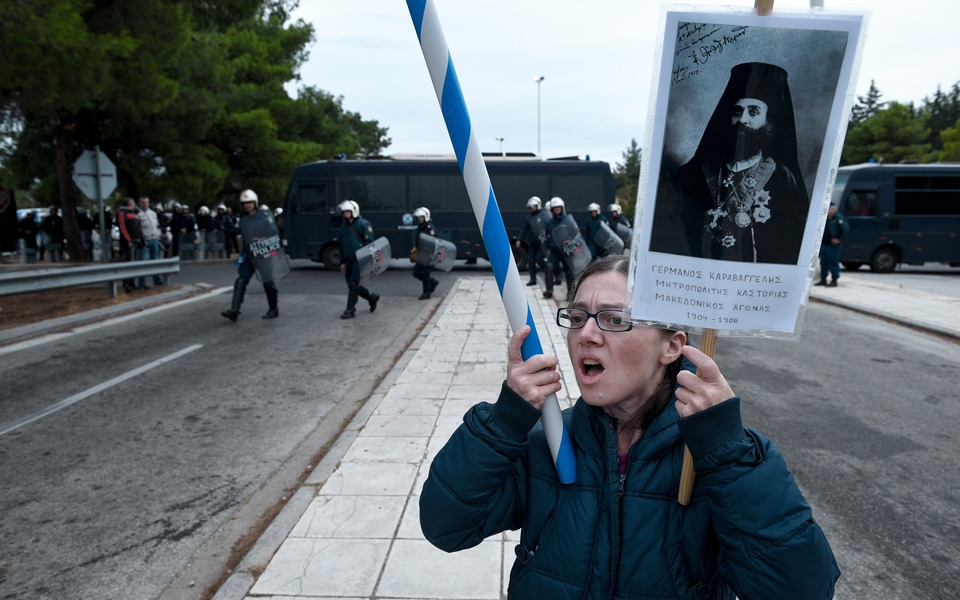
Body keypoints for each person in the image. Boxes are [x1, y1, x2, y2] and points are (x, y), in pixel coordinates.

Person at [420, 254, 840, 599]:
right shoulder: (546, 442)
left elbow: (801, 590)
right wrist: (504, 421)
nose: (586, 333)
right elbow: (447, 525)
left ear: (672, 346)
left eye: (614, 319)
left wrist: (727, 452)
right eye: (578, 315)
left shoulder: (723, 460)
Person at [651, 62, 810, 264]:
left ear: (768, 121)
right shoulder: (692, 176)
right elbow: (665, 233)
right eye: (737, 111)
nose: (743, 119)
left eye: (753, 112)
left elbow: (794, 245)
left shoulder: (785, 179)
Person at [221, 189, 280, 321]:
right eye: (245, 203)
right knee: (241, 281)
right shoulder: (243, 218)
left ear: (255, 203)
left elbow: (274, 235)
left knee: (268, 282)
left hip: (262, 254)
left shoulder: (264, 217)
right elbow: (237, 231)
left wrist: (261, 240)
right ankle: (234, 310)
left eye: (250, 202)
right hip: (249, 255)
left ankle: (273, 309)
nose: (247, 205)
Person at [338, 200, 380, 319]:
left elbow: (369, 243)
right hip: (349, 260)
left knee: (353, 284)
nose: (345, 214)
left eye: (347, 211)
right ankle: (372, 298)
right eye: (344, 212)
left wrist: (368, 261)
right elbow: (342, 245)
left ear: (354, 211)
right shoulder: (344, 227)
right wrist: (342, 262)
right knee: (354, 285)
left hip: (360, 260)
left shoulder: (363, 224)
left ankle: (350, 310)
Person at [543, 197, 576, 300]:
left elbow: (575, 233)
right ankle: (549, 291)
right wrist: (548, 248)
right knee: (548, 266)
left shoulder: (568, 220)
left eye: (558, 207)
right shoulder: (549, 223)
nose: (556, 209)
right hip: (554, 250)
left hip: (566, 250)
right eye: (554, 208)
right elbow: (548, 236)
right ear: (552, 210)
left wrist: (570, 241)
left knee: (569, 271)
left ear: (562, 208)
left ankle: (570, 294)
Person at [516, 196, 547, 286]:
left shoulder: (544, 215)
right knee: (531, 260)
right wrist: (519, 239)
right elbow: (524, 229)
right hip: (533, 243)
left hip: (542, 243)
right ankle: (533, 279)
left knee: (539, 259)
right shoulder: (529, 218)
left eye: (534, 206)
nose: (532, 208)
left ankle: (549, 273)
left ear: (538, 205)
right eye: (531, 206)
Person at [816, 203, 849, 287]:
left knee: (833, 262)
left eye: (829, 209)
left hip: (833, 245)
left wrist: (839, 239)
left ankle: (834, 280)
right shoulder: (825, 218)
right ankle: (823, 279)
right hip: (824, 244)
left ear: (833, 209)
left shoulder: (838, 218)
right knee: (823, 262)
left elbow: (846, 229)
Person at [411, 207, 440, 300]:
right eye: (418, 217)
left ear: (426, 217)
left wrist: (433, 254)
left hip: (429, 255)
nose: (419, 218)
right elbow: (419, 240)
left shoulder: (430, 228)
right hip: (421, 255)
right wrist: (416, 247)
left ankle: (426, 293)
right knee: (416, 273)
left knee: (424, 273)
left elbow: (436, 242)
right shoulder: (420, 228)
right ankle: (432, 282)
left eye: (421, 216)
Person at [137, 196, 165, 288]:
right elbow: (137, 229)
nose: (145, 204)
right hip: (145, 240)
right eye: (143, 202)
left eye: (146, 202)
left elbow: (157, 226)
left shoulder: (152, 213)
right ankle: (141, 283)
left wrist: (158, 236)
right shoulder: (138, 215)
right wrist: (141, 241)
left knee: (155, 261)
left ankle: (157, 280)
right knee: (143, 262)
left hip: (154, 239)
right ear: (140, 203)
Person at [117, 197, 143, 293]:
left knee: (133, 263)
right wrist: (128, 240)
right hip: (129, 243)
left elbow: (138, 228)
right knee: (129, 262)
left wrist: (141, 240)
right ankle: (126, 283)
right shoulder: (122, 212)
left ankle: (132, 283)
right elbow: (123, 226)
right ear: (130, 204)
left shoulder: (133, 213)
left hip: (136, 241)